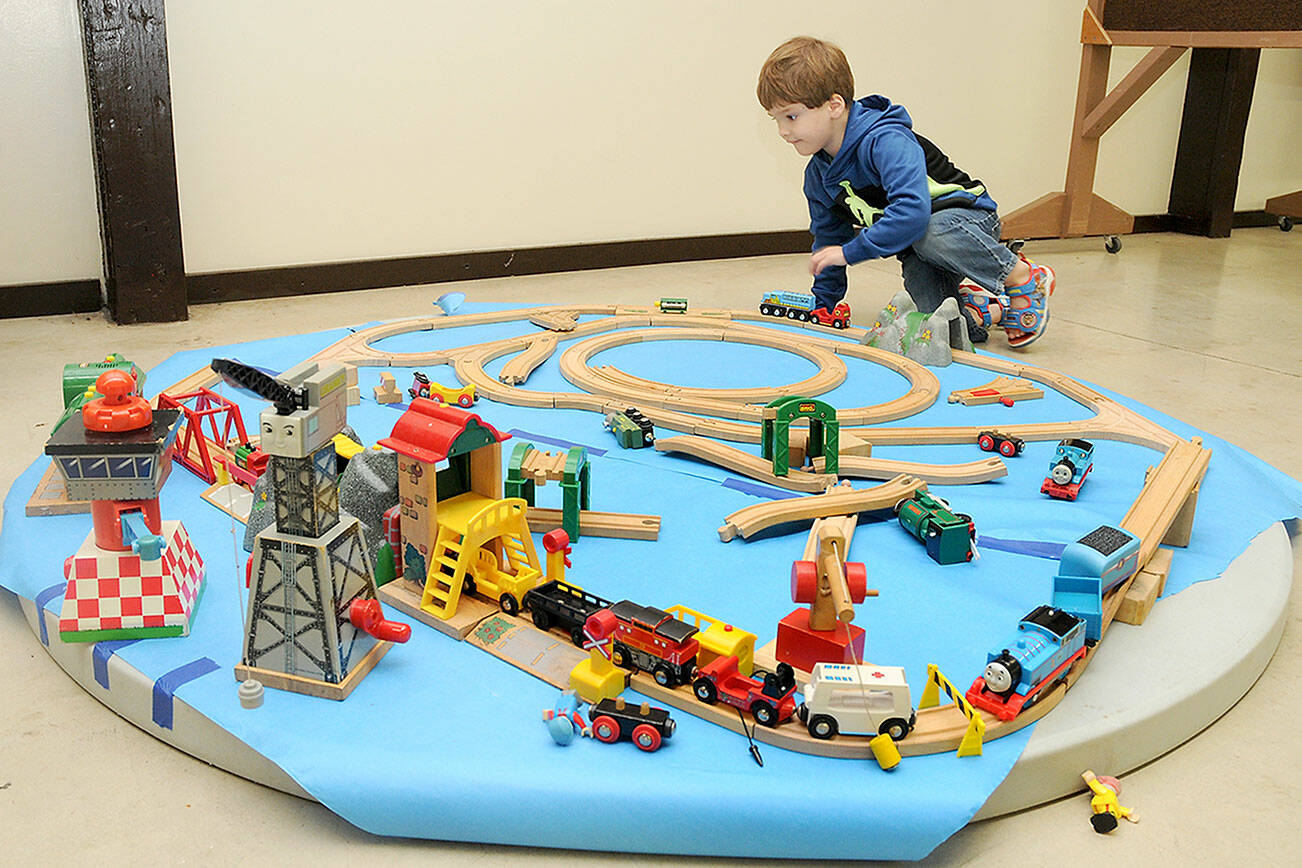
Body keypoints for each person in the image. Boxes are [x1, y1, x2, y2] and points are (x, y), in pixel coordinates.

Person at [757, 36, 1055, 348]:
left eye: (791, 116)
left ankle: (1021, 275)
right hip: (918, 243)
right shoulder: (818, 177)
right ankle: (982, 312)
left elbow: (913, 214)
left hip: (964, 220)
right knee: (936, 329)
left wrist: (851, 252)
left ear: (834, 105)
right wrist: (823, 305)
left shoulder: (886, 141)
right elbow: (829, 241)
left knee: (930, 233)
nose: (783, 131)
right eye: (775, 119)